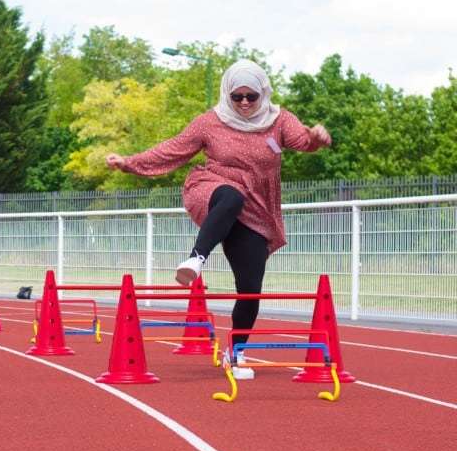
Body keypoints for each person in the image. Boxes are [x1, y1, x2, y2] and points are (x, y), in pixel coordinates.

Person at [105, 59, 331, 376]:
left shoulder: (279, 120)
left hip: (254, 210)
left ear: (262, 93)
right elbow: (172, 151)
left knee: (250, 287)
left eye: (250, 97)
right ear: (227, 94)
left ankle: (236, 353)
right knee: (231, 195)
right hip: (211, 192)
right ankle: (196, 258)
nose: (243, 103)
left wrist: (318, 138)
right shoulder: (210, 122)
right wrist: (128, 162)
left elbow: (303, 141)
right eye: (236, 97)